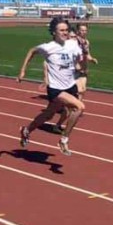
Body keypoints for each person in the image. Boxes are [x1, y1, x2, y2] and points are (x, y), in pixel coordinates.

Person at [17, 17, 85, 156]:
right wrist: (23, 71)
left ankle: (27, 130)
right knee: (79, 107)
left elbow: (78, 59)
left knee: (48, 115)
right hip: (56, 88)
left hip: (70, 85)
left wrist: (78, 65)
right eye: (61, 30)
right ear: (54, 32)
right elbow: (32, 51)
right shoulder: (47, 47)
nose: (65, 32)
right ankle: (63, 140)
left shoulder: (73, 44)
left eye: (66, 30)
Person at [75, 23, 98, 102]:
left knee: (83, 90)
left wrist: (92, 59)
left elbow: (87, 54)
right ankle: (72, 106)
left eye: (85, 30)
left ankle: (77, 109)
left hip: (84, 69)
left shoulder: (86, 42)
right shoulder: (74, 41)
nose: (84, 32)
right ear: (78, 31)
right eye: (82, 30)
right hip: (75, 70)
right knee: (79, 90)